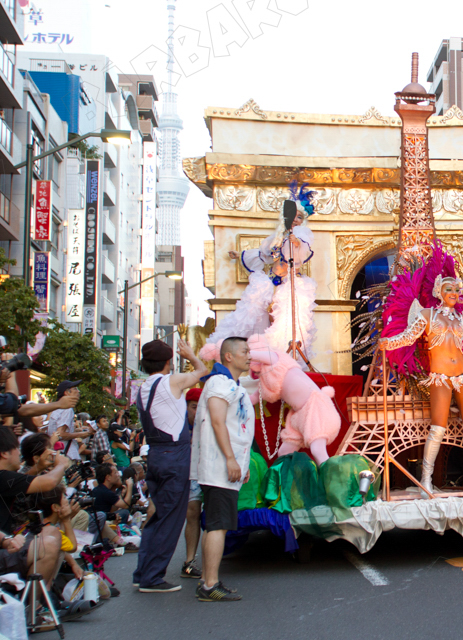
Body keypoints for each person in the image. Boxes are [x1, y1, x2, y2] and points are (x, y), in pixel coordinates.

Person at [381, 266, 463, 496]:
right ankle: (426, 480)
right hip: (440, 377)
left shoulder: (462, 316)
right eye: (448, 289)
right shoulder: (427, 315)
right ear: (438, 292)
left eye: (456, 289)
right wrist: (389, 343)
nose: (454, 292)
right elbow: (408, 337)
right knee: (437, 428)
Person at [133, 338, 209, 594]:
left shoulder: (144, 387)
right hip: (174, 454)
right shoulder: (170, 381)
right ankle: (152, 578)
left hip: (155, 453)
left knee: (157, 516)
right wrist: (190, 355)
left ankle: (143, 571)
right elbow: (202, 372)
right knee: (171, 519)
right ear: (168, 361)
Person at [214, 183, 317, 362]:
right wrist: (239, 255)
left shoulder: (302, 235)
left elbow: (303, 251)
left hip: (289, 285)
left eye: (300, 217)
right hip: (270, 282)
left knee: (284, 323)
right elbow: (263, 256)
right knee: (259, 317)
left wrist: (297, 243)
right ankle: (261, 357)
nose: (296, 220)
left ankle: (284, 359)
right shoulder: (277, 237)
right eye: (294, 216)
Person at [191, 337, 254, 601]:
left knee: (218, 524)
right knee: (218, 525)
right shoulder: (218, 383)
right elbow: (217, 422)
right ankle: (210, 585)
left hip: (226, 467)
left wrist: (243, 461)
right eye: (244, 351)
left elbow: (236, 427)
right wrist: (230, 458)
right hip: (218, 467)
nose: (250, 356)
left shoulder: (231, 384)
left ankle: (207, 580)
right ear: (228, 356)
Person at [0, 426, 72, 587]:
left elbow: (18, 483)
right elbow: (49, 483)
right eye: (16, 448)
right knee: (50, 543)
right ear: (4, 453)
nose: (19, 453)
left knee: (52, 531)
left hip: (9, 541)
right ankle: (34, 607)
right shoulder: (2, 476)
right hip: (9, 544)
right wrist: (60, 465)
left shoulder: (6, 478)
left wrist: (39, 467)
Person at [181, 387, 203, 580]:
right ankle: (189, 561)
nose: (197, 411)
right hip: (188, 475)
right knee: (192, 513)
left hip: (209, 472)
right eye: (193, 407)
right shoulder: (179, 427)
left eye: (200, 407)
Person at [45, 382, 89, 462]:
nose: (78, 391)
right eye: (75, 389)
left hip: (57, 452)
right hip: (66, 454)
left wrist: (74, 430)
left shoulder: (56, 408)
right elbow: (60, 434)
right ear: (67, 393)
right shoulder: (68, 409)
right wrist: (81, 434)